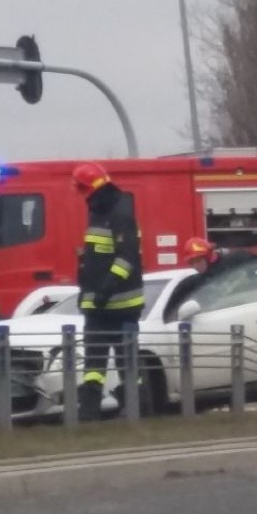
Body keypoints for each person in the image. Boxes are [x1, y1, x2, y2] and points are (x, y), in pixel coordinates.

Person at [72, 162, 145, 421]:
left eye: (83, 189)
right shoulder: (98, 213)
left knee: (128, 364)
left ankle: (137, 411)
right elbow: (95, 259)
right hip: (97, 307)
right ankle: (89, 414)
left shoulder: (120, 215)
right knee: (94, 366)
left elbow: (126, 260)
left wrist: (105, 290)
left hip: (122, 307)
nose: (82, 195)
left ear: (93, 188)